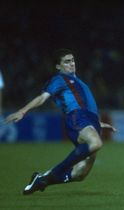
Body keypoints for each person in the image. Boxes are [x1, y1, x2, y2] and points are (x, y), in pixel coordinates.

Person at [5, 48, 116, 195]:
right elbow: (42, 98)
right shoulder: (59, 79)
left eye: (73, 60)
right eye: (67, 61)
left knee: (79, 174)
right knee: (95, 143)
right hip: (77, 117)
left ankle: (41, 179)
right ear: (58, 66)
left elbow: (86, 105)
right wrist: (22, 111)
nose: (71, 64)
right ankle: (52, 173)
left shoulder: (79, 82)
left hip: (90, 120)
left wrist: (97, 123)